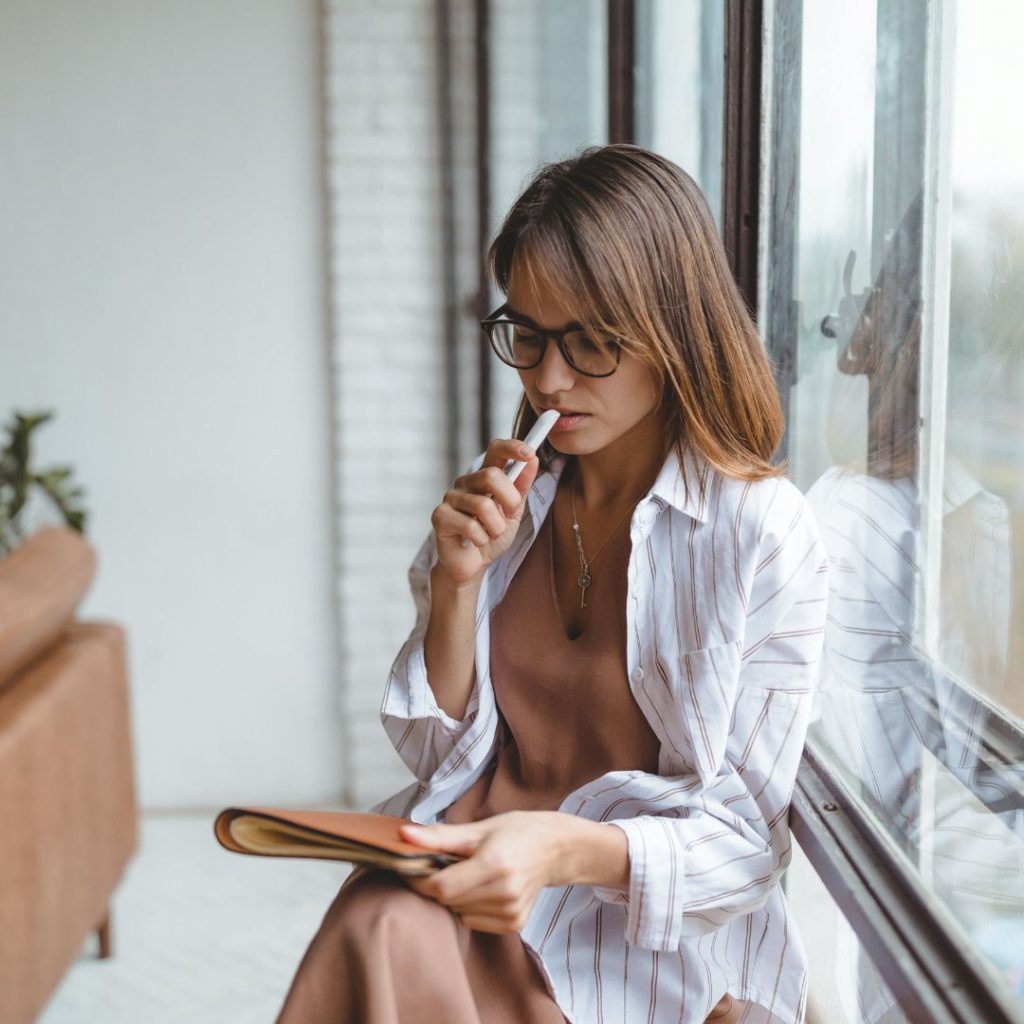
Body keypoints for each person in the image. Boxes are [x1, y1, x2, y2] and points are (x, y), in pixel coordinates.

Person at [275, 144, 829, 1024]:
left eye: (591, 343)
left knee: (382, 928)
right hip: (464, 886)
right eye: (526, 334)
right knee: (380, 919)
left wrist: (560, 848)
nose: (548, 378)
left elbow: (747, 844)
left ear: (674, 332)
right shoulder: (509, 498)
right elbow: (434, 756)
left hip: (623, 941)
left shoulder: (758, 531)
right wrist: (457, 590)